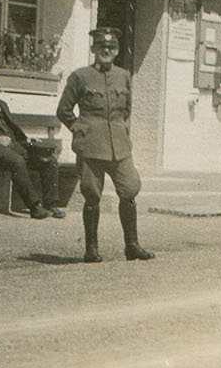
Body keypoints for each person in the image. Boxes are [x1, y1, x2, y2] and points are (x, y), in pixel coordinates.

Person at [57, 27, 154, 262]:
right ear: (93, 50)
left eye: (111, 48)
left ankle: (132, 245)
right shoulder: (80, 77)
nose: (106, 51)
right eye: (102, 47)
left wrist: (119, 129)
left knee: (130, 189)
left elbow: (126, 109)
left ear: (117, 51)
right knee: (92, 195)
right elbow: (64, 110)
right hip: (91, 147)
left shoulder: (123, 76)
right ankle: (91, 249)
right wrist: (80, 128)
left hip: (119, 146)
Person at [0, 67, 63, 220]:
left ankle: (51, 204)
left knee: (48, 159)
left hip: (12, 146)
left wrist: (26, 139)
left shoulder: (2, 104)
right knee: (17, 161)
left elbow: (11, 129)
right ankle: (34, 206)